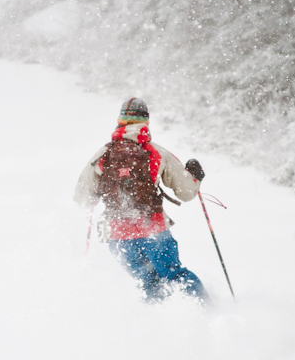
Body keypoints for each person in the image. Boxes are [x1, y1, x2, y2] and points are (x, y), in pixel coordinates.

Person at [74, 97, 209, 303]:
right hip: (152, 231)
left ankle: (155, 327)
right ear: (145, 122)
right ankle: (209, 312)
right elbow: (186, 192)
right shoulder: (156, 152)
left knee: (148, 283)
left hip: (118, 237)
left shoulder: (104, 154)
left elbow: (82, 197)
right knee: (175, 276)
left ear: (120, 121)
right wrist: (195, 176)